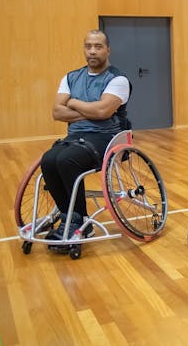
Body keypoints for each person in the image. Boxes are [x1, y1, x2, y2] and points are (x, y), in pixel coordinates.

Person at [41, 30, 131, 241]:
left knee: (67, 160)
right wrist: (91, 110)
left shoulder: (118, 79)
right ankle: (68, 216)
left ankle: (79, 221)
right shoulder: (71, 77)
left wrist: (71, 103)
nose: (92, 51)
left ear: (108, 50)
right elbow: (57, 112)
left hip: (105, 137)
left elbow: (103, 112)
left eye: (98, 46)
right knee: (48, 160)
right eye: (88, 46)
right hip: (76, 136)